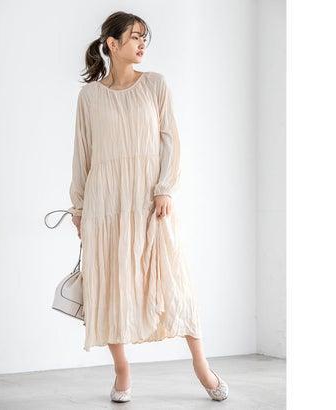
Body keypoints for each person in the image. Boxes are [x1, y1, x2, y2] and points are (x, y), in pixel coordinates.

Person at [67, 11, 229, 403]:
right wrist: (79, 207)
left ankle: (202, 367)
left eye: (144, 38)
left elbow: (170, 139)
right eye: (135, 37)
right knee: (110, 282)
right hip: (106, 202)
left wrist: (164, 188)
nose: (142, 44)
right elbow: (82, 154)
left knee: (173, 278)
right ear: (112, 44)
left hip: (149, 199)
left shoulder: (155, 85)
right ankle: (122, 371)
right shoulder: (89, 97)